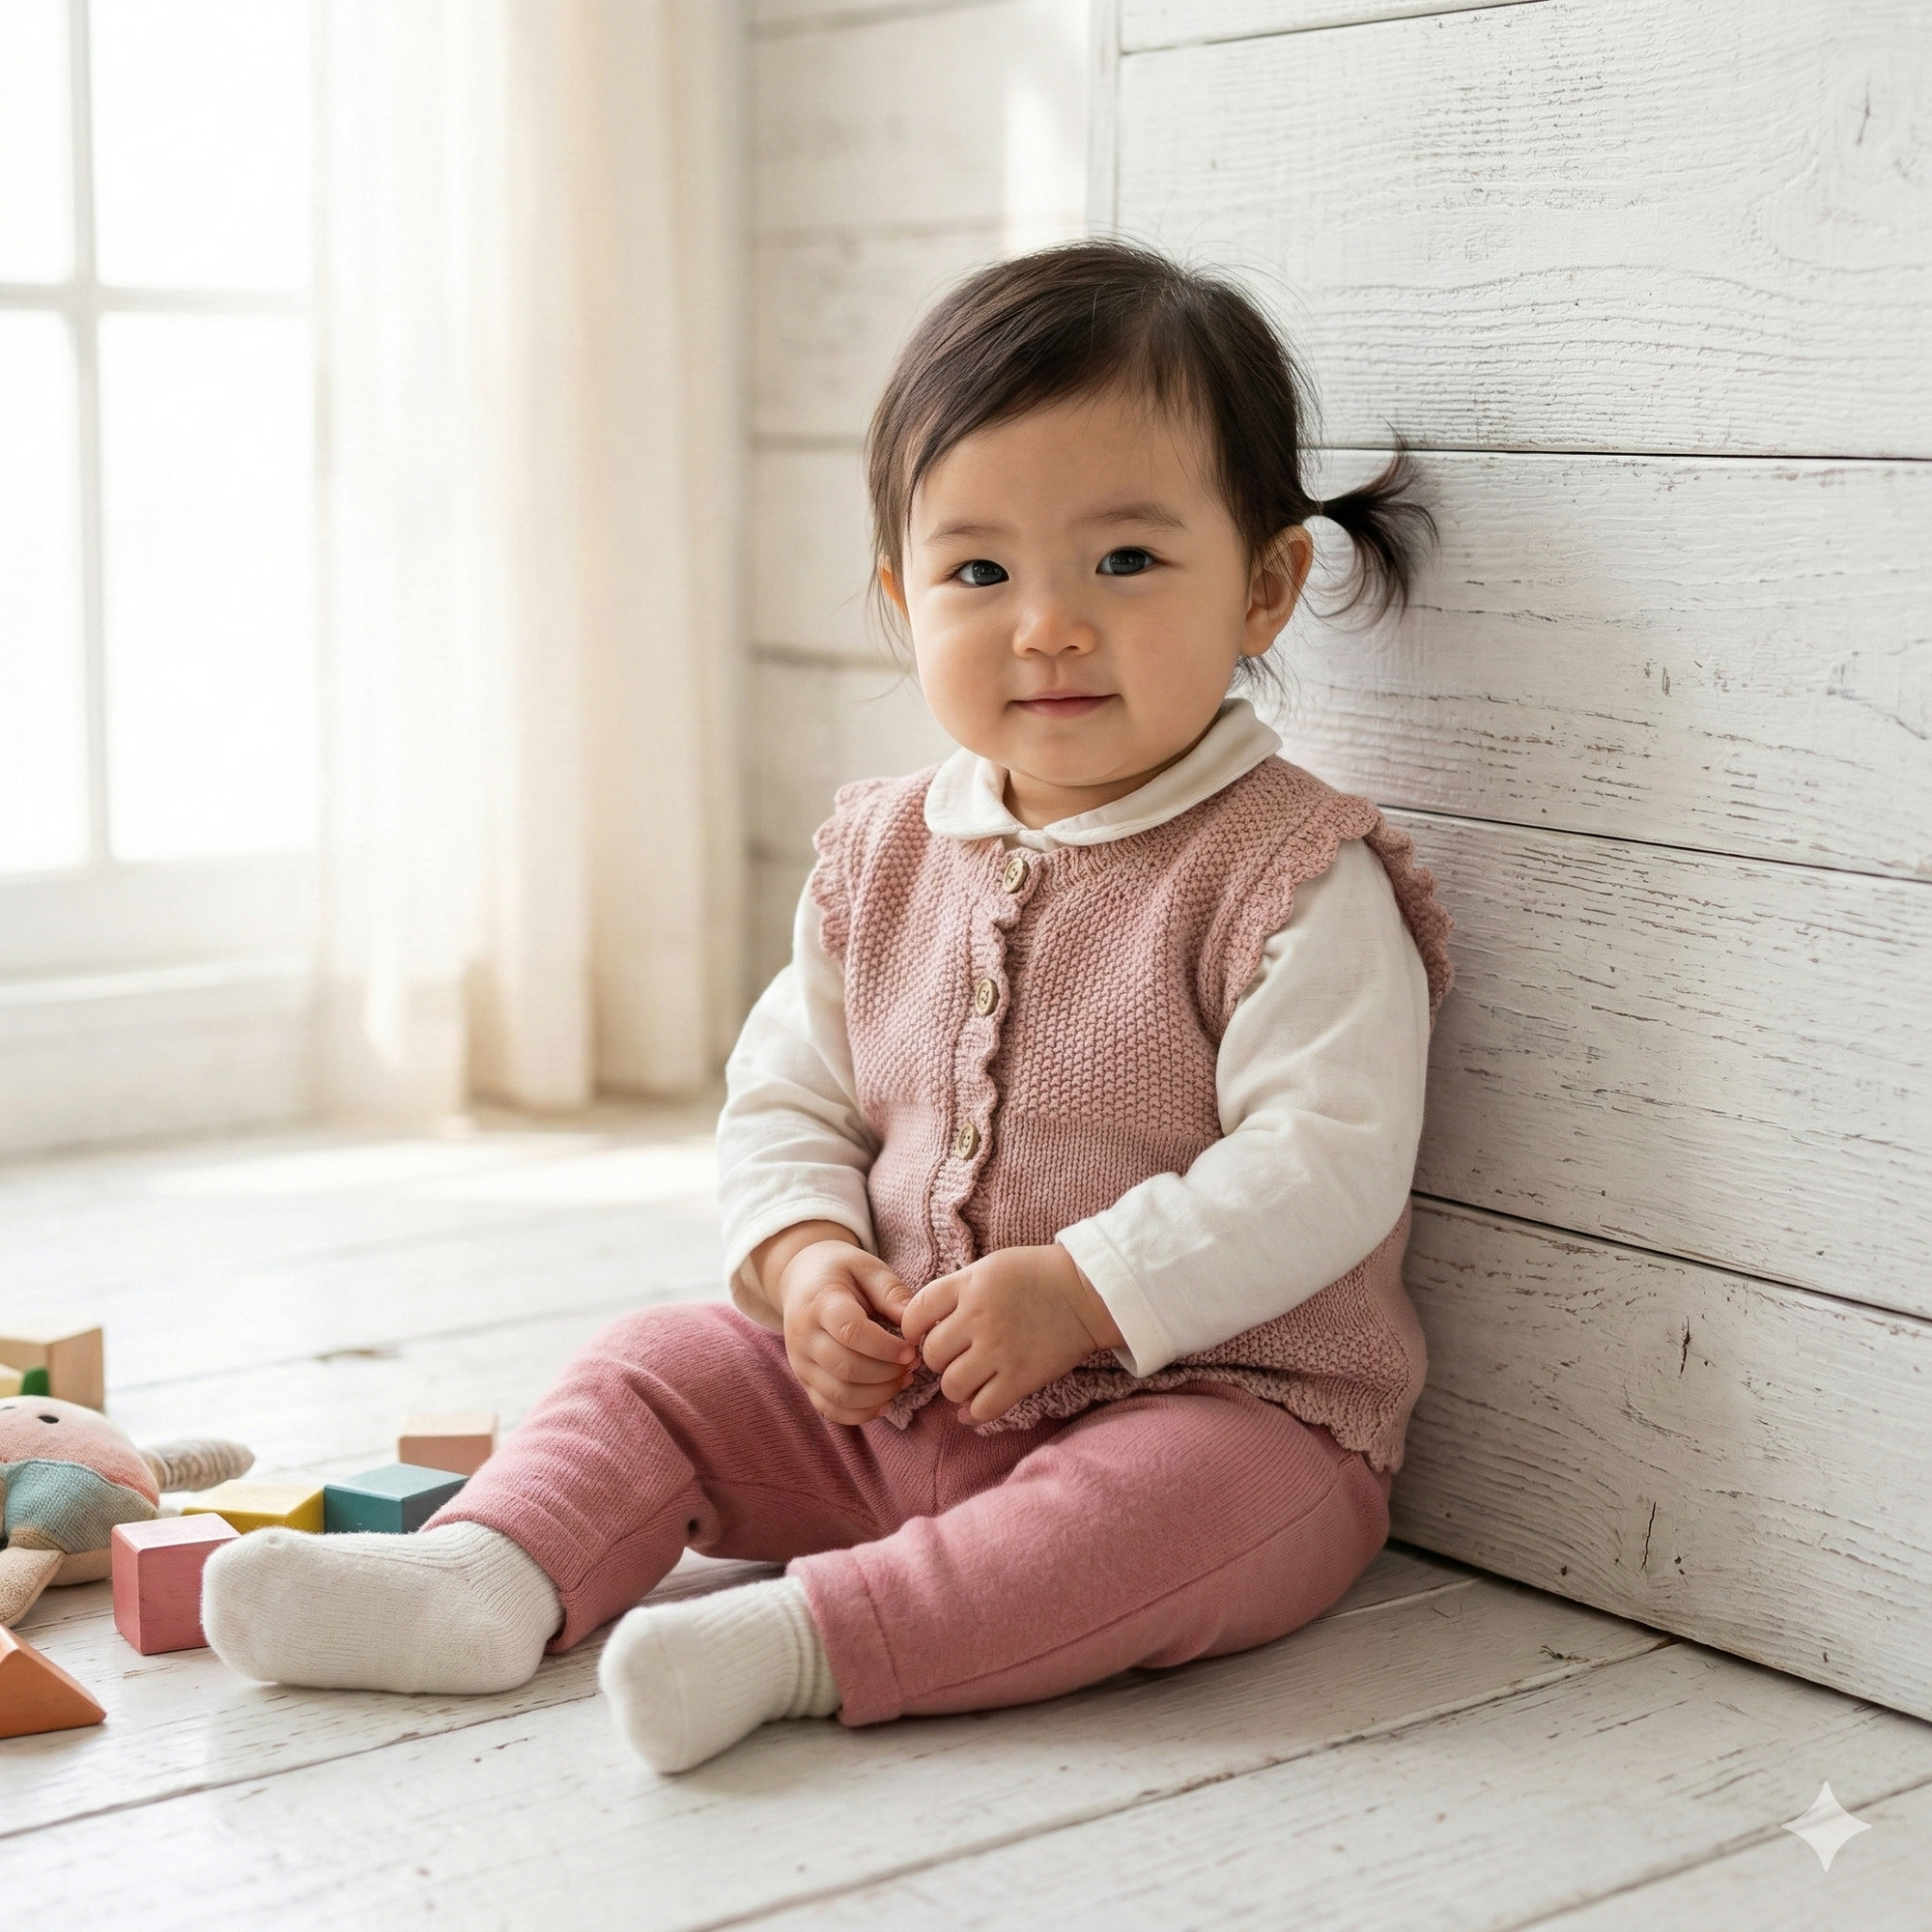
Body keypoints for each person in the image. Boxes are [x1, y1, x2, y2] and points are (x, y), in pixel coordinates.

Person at [202, 238, 1455, 1776]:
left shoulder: (1291, 874)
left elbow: (1324, 1162)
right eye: (980, 573)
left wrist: (1087, 1291)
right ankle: (489, 1574)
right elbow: (787, 1092)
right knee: (654, 1364)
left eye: (1125, 561)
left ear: (1265, 586)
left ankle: (807, 1640)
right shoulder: (883, 852)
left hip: (1210, 1407)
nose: (1047, 625)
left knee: (1160, 1512)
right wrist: (806, 1265)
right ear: (901, 595)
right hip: (897, 1404)